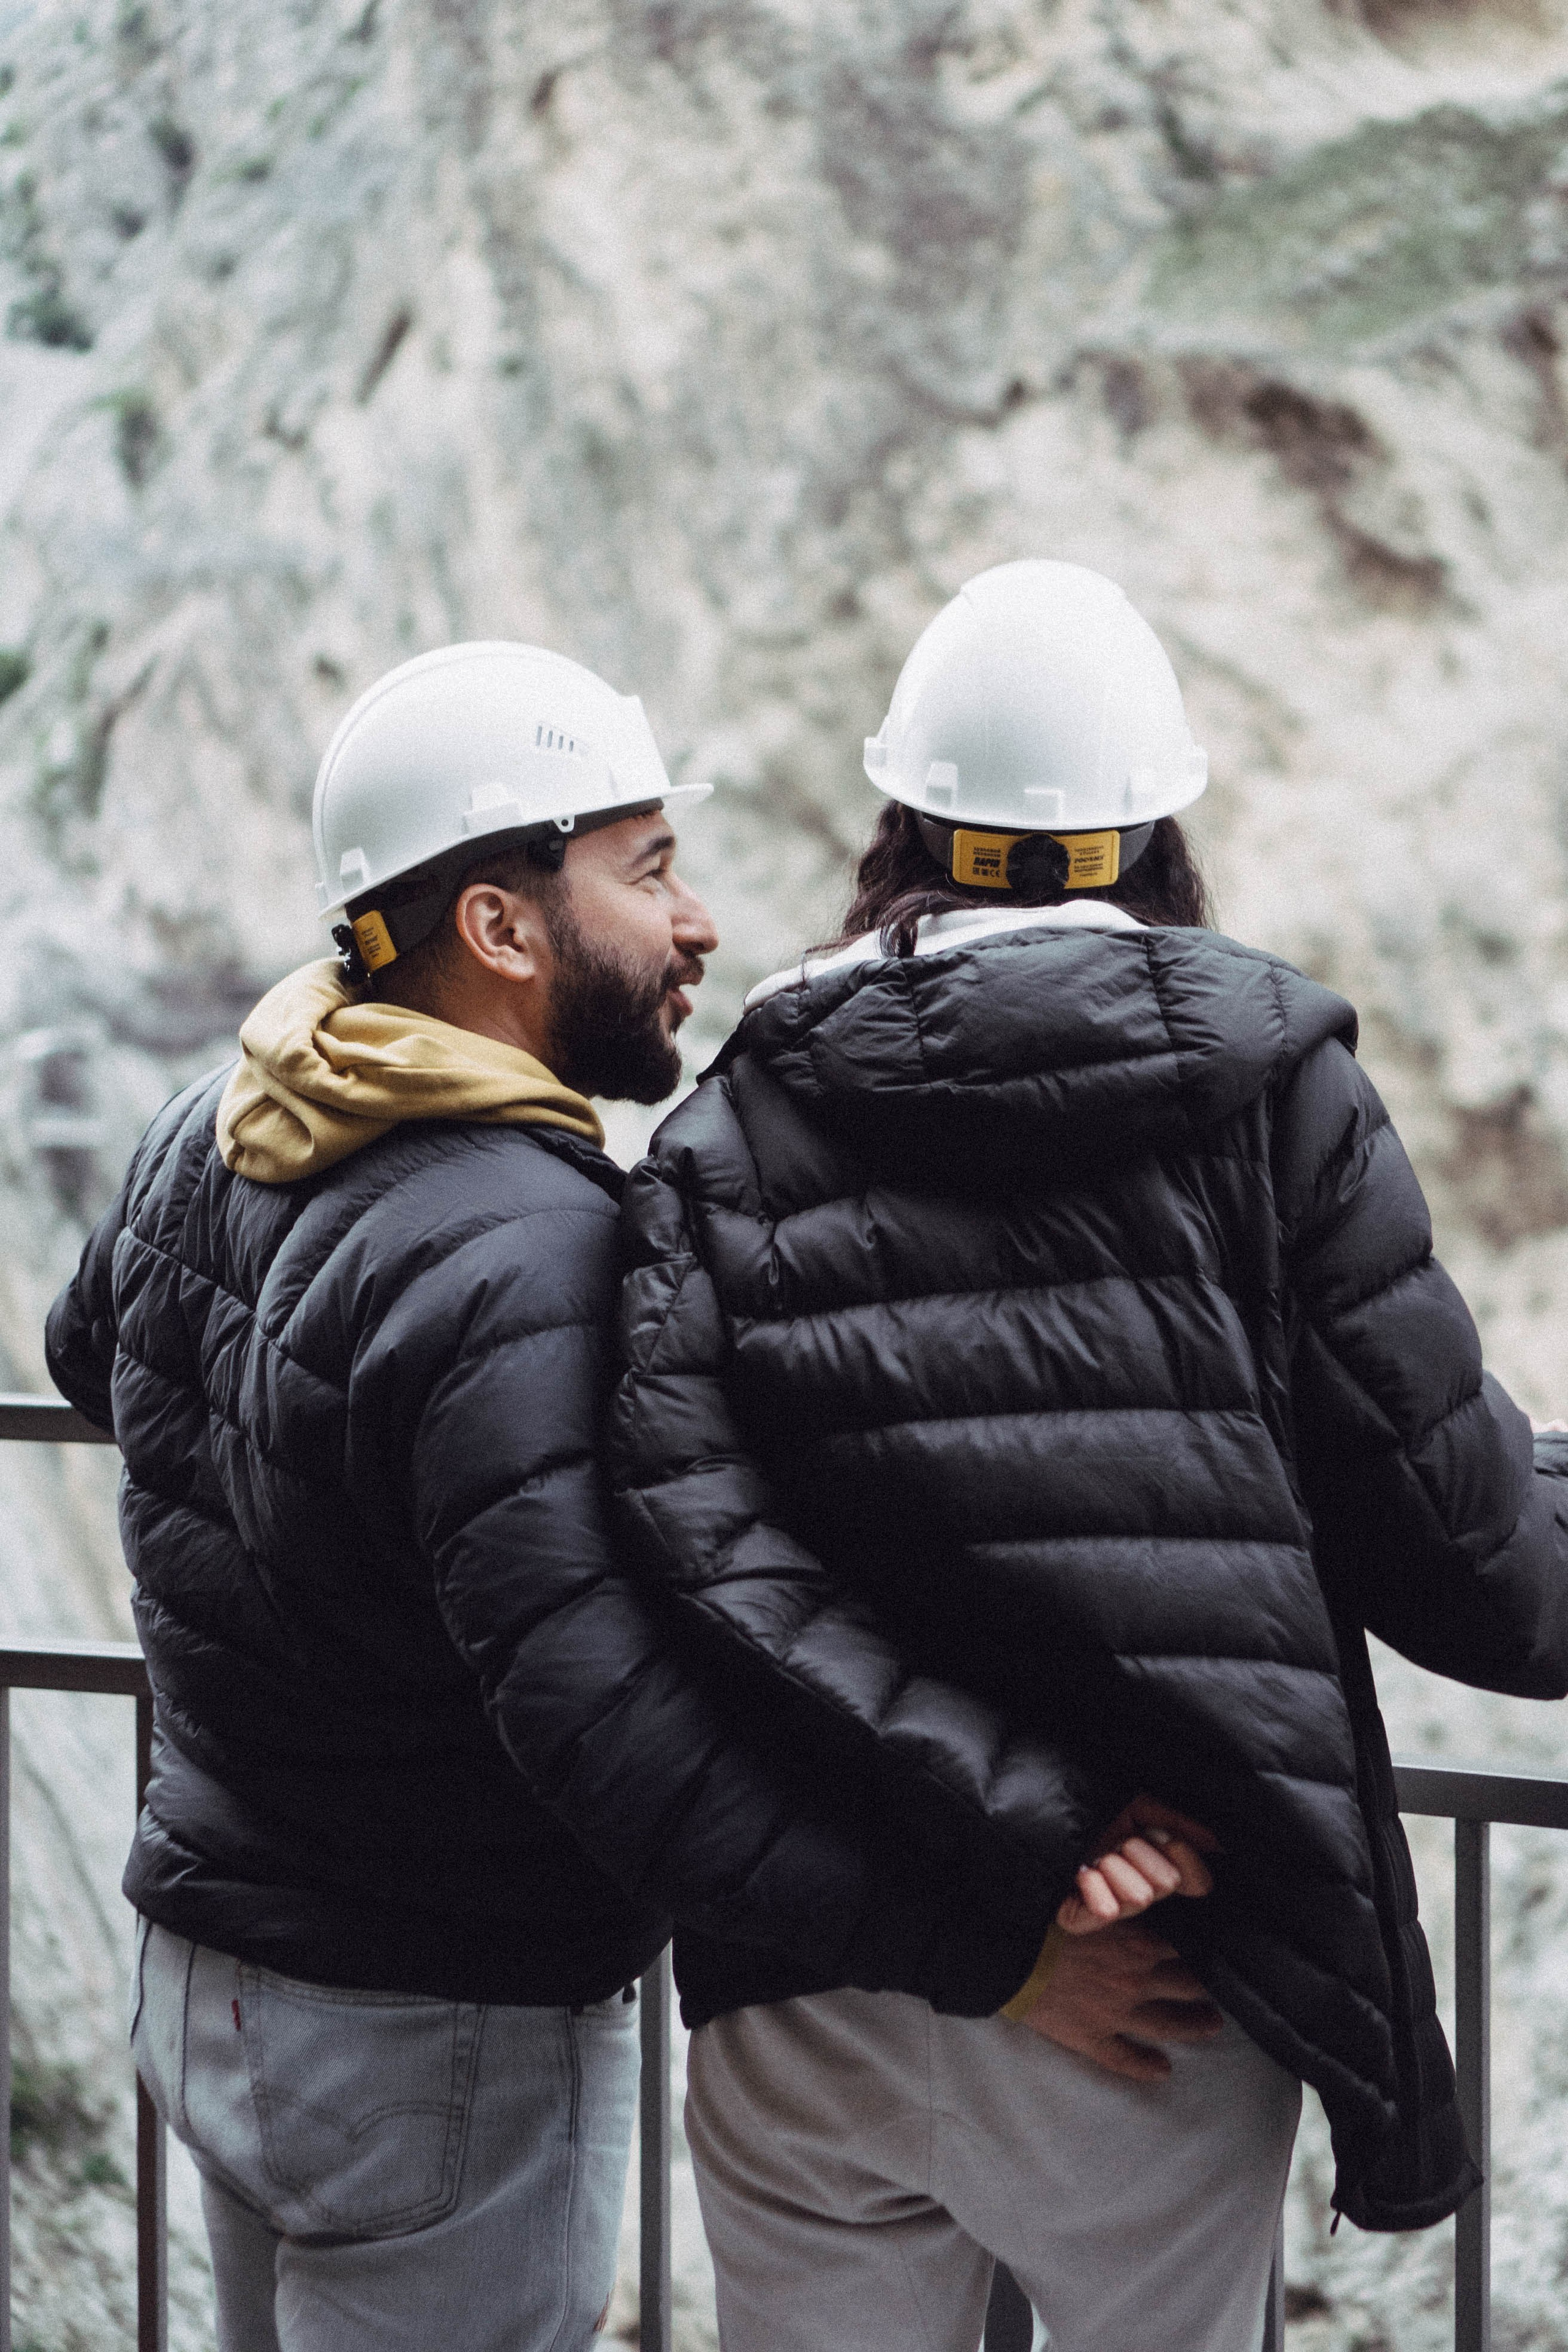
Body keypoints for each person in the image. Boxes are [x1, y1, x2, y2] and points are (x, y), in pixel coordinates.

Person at [44, 639, 1215, 2352]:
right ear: (502, 930)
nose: (701, 925)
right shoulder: (539, 1250)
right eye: (650, 866)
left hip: (208, 1967)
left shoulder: (213, 1121)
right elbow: (627, 1741)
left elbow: (102, 1356)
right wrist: (998, 1956)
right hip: (425, 2027)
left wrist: (333, 1567)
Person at [609, 560, 1568, 2352]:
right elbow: (1480, 1567)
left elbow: (691, 1552)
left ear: (903, 822)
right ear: (1155, 831)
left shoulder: (723, 1134)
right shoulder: (1274, 1099)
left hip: (816, 1981)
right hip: (1156, 1973)